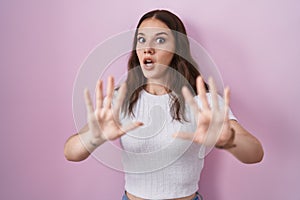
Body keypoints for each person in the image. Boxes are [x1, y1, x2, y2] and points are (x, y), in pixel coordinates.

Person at [64, 9, 264, 200]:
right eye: (142, 39)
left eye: (160, 40)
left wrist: (229, 141)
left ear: (178, 49)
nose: (148, 48)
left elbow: (255, 153)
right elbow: (71, 152)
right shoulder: (120, 100)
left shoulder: (203, 100)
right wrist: (94, 136)